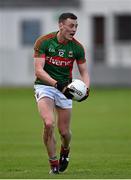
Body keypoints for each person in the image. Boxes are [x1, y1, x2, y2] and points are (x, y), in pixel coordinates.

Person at [33, 12, 90, 174]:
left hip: (66, 89)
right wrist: (57, 85)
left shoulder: (77, 48)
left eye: (76, 26)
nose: (74, 29)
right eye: (71, 26)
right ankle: (54, 164)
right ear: (61, 25)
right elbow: (38, 71)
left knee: (64, 132)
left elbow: (84, 72)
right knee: (49, 123)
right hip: (45, 86)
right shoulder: (44, 42)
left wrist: (86, 89)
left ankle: (65, 150)